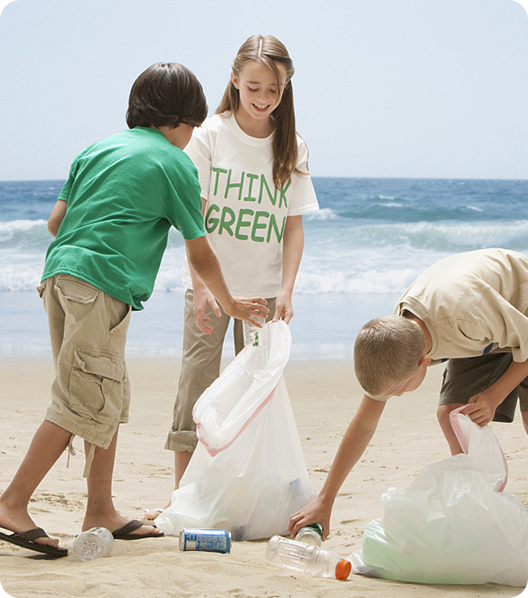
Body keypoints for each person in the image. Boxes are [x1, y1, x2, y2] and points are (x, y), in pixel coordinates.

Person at [0, 62, 267, 558]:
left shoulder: (96, 149)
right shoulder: (173, 162)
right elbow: (200, 251)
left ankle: (100, 508)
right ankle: (12, 502)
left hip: (59, 279)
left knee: (106, 392)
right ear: (184, 120)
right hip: (100, 289)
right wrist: (229, 302)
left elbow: (58, 220)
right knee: (81, 398)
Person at [144, 35, 318, 519]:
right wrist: (201, 288)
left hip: (263, 293)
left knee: (256, 390)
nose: (263, 99)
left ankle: (245, 491)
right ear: (235, 81)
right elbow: (192, 218)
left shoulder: (293, 146)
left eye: (274, 91)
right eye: (254, 87)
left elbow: (294, 226)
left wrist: (286, 289)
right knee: (197, 384)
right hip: (212, 289)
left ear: (285, 89)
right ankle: (183, 495)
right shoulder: (211, 135)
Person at [289, 248, 528, 540]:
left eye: (398, 392)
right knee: (452, 413)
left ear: (423, 363)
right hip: (491, 328)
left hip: (517, 307)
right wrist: (325, 499)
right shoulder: (395, 336)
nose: (396, 396)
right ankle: (480, 501)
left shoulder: (465, 318)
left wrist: (495, 394)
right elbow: (365, 422)